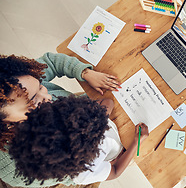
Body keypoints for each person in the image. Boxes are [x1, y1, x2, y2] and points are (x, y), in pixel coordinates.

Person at [0, 52, 121, 187]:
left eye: (40, 85)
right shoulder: (17, 166)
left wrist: (85, 73)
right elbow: (75, 174)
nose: (49, 97)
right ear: (6, 124)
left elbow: (51, 62)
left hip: (89, 113)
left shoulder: (21, 83)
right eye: (34, 100)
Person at [8, 95, 149, 185]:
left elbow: (108, 102)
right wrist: (136, 143)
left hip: (110, 126)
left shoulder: (75, 117)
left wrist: (99, 116)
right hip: (118, 152)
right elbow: (116, 171)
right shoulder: (83, 174)